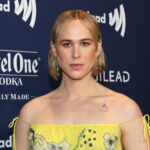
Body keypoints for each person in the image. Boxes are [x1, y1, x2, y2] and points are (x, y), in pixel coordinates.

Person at [9, 10, 150, 150]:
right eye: (66, 44)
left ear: (97, 47)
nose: (76, 54)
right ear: (54, 49)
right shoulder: (31, 112)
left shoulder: (125, 109)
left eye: (84, 43)